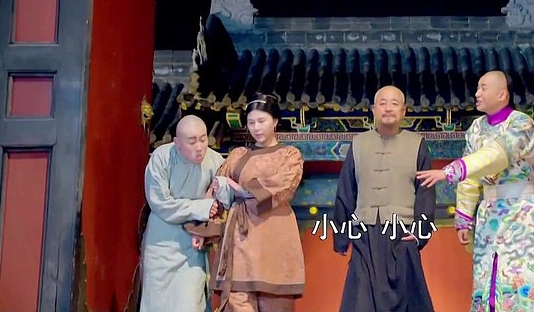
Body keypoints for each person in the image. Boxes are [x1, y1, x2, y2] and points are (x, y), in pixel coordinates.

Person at [417, 70, 534, 312]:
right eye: (477, 88)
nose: (477, 93)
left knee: (523, 280)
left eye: (483, 88)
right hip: (489, 214)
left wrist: (450, 171)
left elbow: (496, 155)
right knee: (488, 279)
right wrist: (463, 217)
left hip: (521, 212)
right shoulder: (476, 128)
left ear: (502, 94)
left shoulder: (521, 124)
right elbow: (472, 176)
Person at [192, 93, 305, 312]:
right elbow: (217, 192)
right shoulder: (238, 154)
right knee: (237, 300)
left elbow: (282, 186)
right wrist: (202, 228)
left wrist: (241, 190)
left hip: (274, 236)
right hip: (240, 239)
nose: (256, 128)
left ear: (275, 121)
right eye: (251, 122)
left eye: (261, 121)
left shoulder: (289, 155)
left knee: (275, 301)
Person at [333, 85, 436, 312]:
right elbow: (346, 190)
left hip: (402, 232)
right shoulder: (358, 143)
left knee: (405, 301)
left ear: (403, 111)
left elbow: (425, 192)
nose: (388, 108)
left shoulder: (417, 144)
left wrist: (420, 232)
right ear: (373, 110)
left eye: (394, 103)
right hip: (364, 234)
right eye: (382, 103)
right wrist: (341, 235)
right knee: (361, 302)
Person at [141, 114, 225, 312]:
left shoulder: (216, 161)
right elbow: (160, 203)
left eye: (203, 139)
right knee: (156, 304)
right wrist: (200, 208)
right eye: (192, 142)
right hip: (161, 243)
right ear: (177, 143)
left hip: (192, 245)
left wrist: (203, 227)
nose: (200, 147)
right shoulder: (161, 158)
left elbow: (219, 204)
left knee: (189, 303)